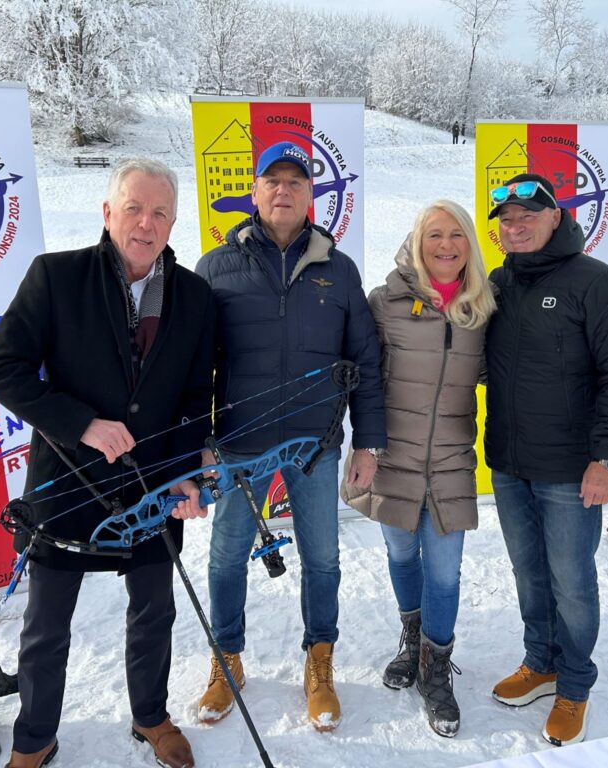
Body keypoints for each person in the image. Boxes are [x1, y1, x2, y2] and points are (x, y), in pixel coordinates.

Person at [0, 158, 215, 768]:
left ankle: (150, 716)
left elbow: (194, 398)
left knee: (154, 613)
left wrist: (187, 470)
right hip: (67, 487)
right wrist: (80, 422)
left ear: (173, 221)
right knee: (47, 626)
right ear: (108, 213)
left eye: (160, 212)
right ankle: (34, 738)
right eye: (134, 208)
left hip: (152, 486)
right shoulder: (57, 277)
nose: (146, 223)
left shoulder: (193, 295)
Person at [194, 141, 386, 733]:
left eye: (295, 182)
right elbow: (192, 364)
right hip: (237, 443)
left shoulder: (340, 269)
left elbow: (366, 361)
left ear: (311, 196)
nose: (283, 190)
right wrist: (199, 440)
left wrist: (368, 442)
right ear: (253, 192)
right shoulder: (215, 266)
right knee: (226, 556)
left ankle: (319, 663)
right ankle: (226, 660)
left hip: (316, 443)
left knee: (322, 557)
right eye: (271, 180)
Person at [484, 173, 608, 746]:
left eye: (530, 213)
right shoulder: (498, 283)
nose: (517, 223)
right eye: (506, 217)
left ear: (558, 217)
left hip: (572, 471)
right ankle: (541, 663)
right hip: (507, 462)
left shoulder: (599, 283)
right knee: (530, 575)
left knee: (572, 583)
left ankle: (574, 684)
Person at [342, 200, 496, 737]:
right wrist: (363, 445)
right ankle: (412, 640)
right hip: (394, 456)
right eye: (435, 235)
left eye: (457, 235)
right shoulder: (384, 302)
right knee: (402, 552)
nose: (446, 245)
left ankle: (436, 668)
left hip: (453, 459)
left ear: (470, 245)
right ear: (417, 241)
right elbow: (357, 376)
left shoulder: (484, 309)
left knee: (445, 570)